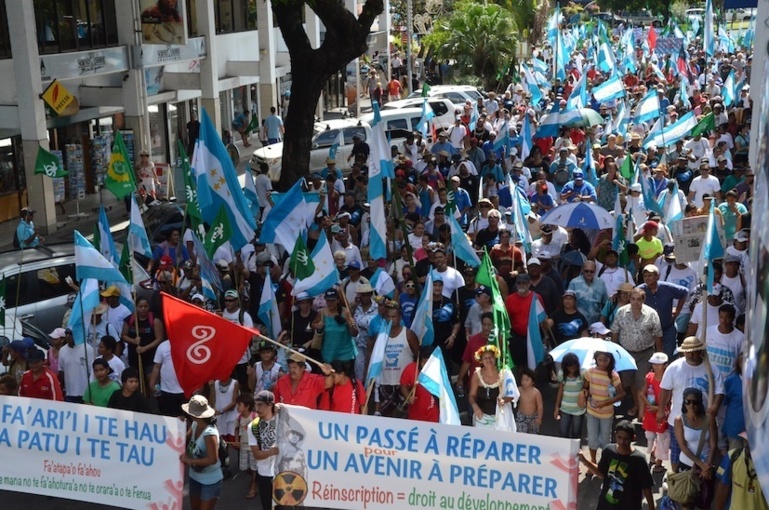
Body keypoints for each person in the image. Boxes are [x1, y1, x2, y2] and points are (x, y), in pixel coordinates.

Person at [656, 336, 725, 471]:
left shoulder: (711, 369)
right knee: (677, 456)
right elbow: (665, 391)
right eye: (688, 352)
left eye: (694, 351)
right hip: (678, 419)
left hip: (703, 421)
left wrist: (715, 406)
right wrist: (660, 410)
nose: (691, 354)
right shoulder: (674, 367)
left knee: (703, 454)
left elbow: (720, 391)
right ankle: (678, 482)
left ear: (700, 351)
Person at [578, 420, 656, 510]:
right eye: (619, 437)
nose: (622, 441)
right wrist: (584, 461)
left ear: (633, 438)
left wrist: (651, 507)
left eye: (626, 439)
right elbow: (601, 473)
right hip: (606, 505)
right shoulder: (608, 451)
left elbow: (646, 486)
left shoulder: (639, 459)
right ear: (615, 435)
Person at [611, 288, 663, 417]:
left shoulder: (651, 313)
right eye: (633, 299)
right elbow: (615, 332)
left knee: (641, 381)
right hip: (626, 353)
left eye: (638, 299)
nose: (635, 302)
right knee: (629, 383)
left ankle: (641, 414)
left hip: (645, 353)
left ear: (643, 300)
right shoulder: (621, 312)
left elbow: (658, 335)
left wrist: (659, 356)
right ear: (629, 299)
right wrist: (614, 351)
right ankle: (636, 404)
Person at [674, 387, 718, 510]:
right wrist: (701, 465)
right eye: (688, 401)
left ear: (700, 403)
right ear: (684, 402)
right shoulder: (679, 420)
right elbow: (683, 446)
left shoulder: (709, 419)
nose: (691, 405)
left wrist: (707, 466)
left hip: (707, 467)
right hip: (687, 467)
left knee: (705, 503)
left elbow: (713, 444)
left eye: (695, 402)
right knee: (686, 504)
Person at [181, 395, 223, 510]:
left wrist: (189, 460)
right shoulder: (195, 424)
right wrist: (179, 424)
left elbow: (212, 459)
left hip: (210, 481)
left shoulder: (210, 434)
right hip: (194, 477)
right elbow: (183, 439)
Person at [583, 351, 625, 468]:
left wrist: (605, 402)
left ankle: (604, 462)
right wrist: (585, 393)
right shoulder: (590, 372)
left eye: (605, 360)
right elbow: (585, 387)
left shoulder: (613, 375)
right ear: (596, 359)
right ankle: (593, 462)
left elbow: (621, 394)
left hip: (607, 413)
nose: (602, 363)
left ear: (610, 360)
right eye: (600, 360)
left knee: (605, 440)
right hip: (591, 411)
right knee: (592, 438)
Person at [714, 432, 768, 510]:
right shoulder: (733, 456)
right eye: (746, 440)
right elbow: (723, 488)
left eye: (752, 442)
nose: (747, 444)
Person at [121, 297, 164, 380]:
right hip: (134, 356)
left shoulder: (154, 320)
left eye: (145, 306)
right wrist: (133, 341)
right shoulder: (130, 319)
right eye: (140, 306)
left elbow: (159, 338)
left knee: (151, 379)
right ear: (136, 307)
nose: (143, 309)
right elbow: (123, 335)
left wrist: (145, 348)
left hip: (151, 357)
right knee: (135, 379)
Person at [640, 352, 669, 473]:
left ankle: (659, 462)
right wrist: (648, 406)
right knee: (650, 435)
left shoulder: (668, 379)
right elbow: (642, 393)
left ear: (665, 365)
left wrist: (658, 408)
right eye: (654, 364)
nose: (656, 366)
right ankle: (653, 453)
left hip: (663, 412)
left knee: (662, 437)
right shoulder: (649, 377)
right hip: (650, 411)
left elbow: (669, 397)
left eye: (659, 364)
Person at [313, 288, 358, 364]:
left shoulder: (346, 312)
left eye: (333, 300)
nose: (330, 303)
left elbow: (354, 333)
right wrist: (318, 326)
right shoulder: (322, 313)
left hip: (346, 355)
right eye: (328, 301)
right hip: (328, 354)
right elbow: (313, 325)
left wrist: (349, 322)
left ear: (337, 300)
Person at [400, 345, 440, 423]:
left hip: (433, 413)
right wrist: (408, 397)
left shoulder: (437, 369)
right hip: (415, 413)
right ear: (423, 358)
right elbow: (403, 386)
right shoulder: (411, 368)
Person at [148, 338, 184, 417]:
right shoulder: (163, 346)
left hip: (185, 391)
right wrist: (152, 383)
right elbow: (157, 366)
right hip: (166, 390)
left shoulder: (189, 345)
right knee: (168, 417)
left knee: (185, 419)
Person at [554, 352, 586, 439]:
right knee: (563, 432)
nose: (572, 369)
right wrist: (557, 406)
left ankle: (575, 451)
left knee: (576, 433)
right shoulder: (561, 374)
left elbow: (586, 387)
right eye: (570, 367)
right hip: (565, 408)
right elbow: (560, 390)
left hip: (578, 409)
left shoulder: (582, 373)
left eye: (574, 367)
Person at [232, 394, 258, 500]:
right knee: (244, 467)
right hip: (243, 447)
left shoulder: (255, 417)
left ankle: (253, 485)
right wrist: (236, 440)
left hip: (253, 448)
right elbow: (237, 429)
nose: (237, 407)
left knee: (254, 467)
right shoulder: (238, 418)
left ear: (247, 406)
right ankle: (254, 478)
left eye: (240, 405)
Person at [58, 330, 94, 403]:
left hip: (85, 394)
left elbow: (92, 372)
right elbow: (61, 371)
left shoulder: (88, 349)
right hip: (69, 394)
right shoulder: (62, 350)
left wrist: (90, 393)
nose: (67, 336)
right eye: (66, 333)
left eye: (70, 334)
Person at [211, 375, 239, 443]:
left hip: (232, 416)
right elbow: (212, 400)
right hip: (220, 418)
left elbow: (234, 402)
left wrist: (221, 411)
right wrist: (211, 387)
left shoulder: (235, 383)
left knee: (233, 441)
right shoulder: (215, 383)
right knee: (223, 442)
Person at [516, 368, 543, 434]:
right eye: (522, 380)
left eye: (527, 380)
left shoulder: (536, 392)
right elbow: (512, 397)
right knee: (521, 434)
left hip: (533, 417)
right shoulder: (519, 390)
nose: (524, 382)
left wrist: (539, 417)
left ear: (533, 381)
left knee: (533, 435)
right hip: (521, 416)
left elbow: (540, 406)